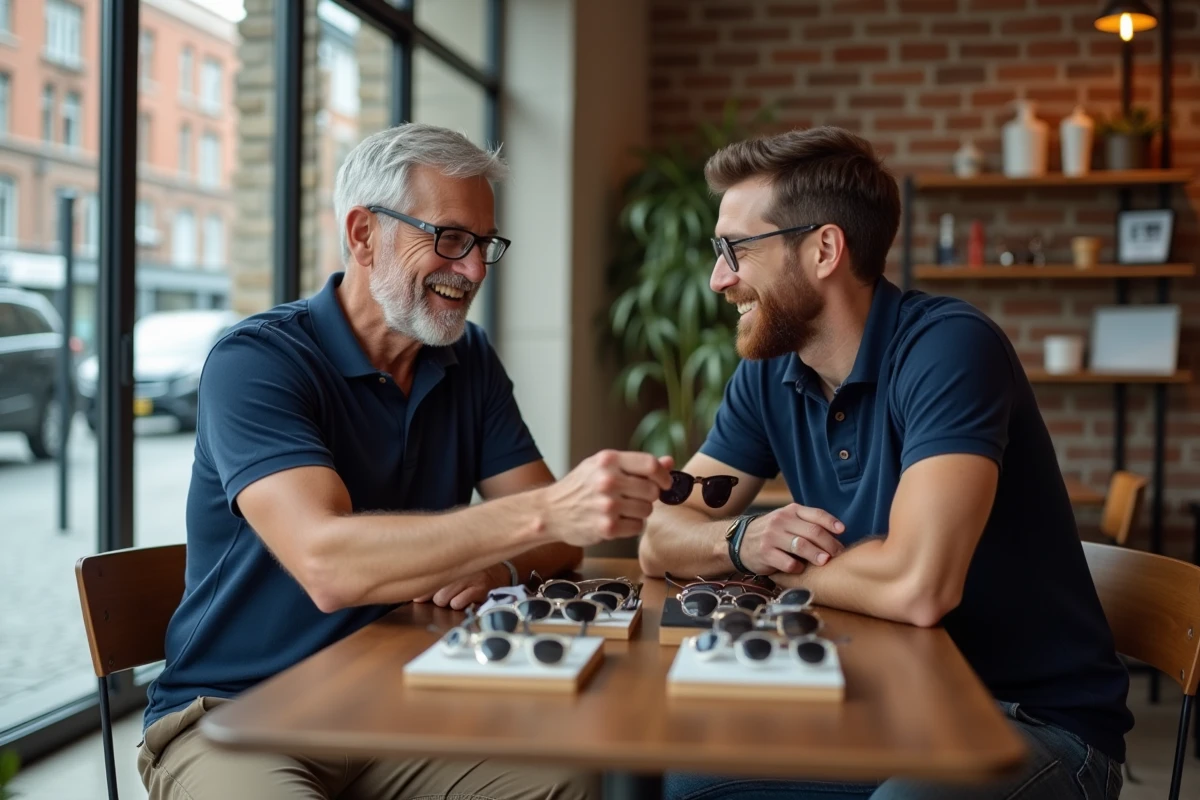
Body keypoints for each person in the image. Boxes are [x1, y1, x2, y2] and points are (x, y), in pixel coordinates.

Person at [138, 122, 673, 800]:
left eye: (483, 245)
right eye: (449, 238)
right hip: (238, 712)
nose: (474, 269)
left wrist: (498, 564)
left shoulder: (466, 358)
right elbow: (327, 563)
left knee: (564, 781)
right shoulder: (256, 362)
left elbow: (563, 540)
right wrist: (541, 511)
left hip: (399, 698)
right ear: (363, 234)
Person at [638, 126, 1131, 800]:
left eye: (735, 250)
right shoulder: (769, 373)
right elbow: (660, 535)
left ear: (824, 249)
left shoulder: (950, 349)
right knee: (678, 775)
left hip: (1029, 721)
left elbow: (920, 587)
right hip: (887, 700)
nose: (718, 278)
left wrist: (782, 567)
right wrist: (744, 538)